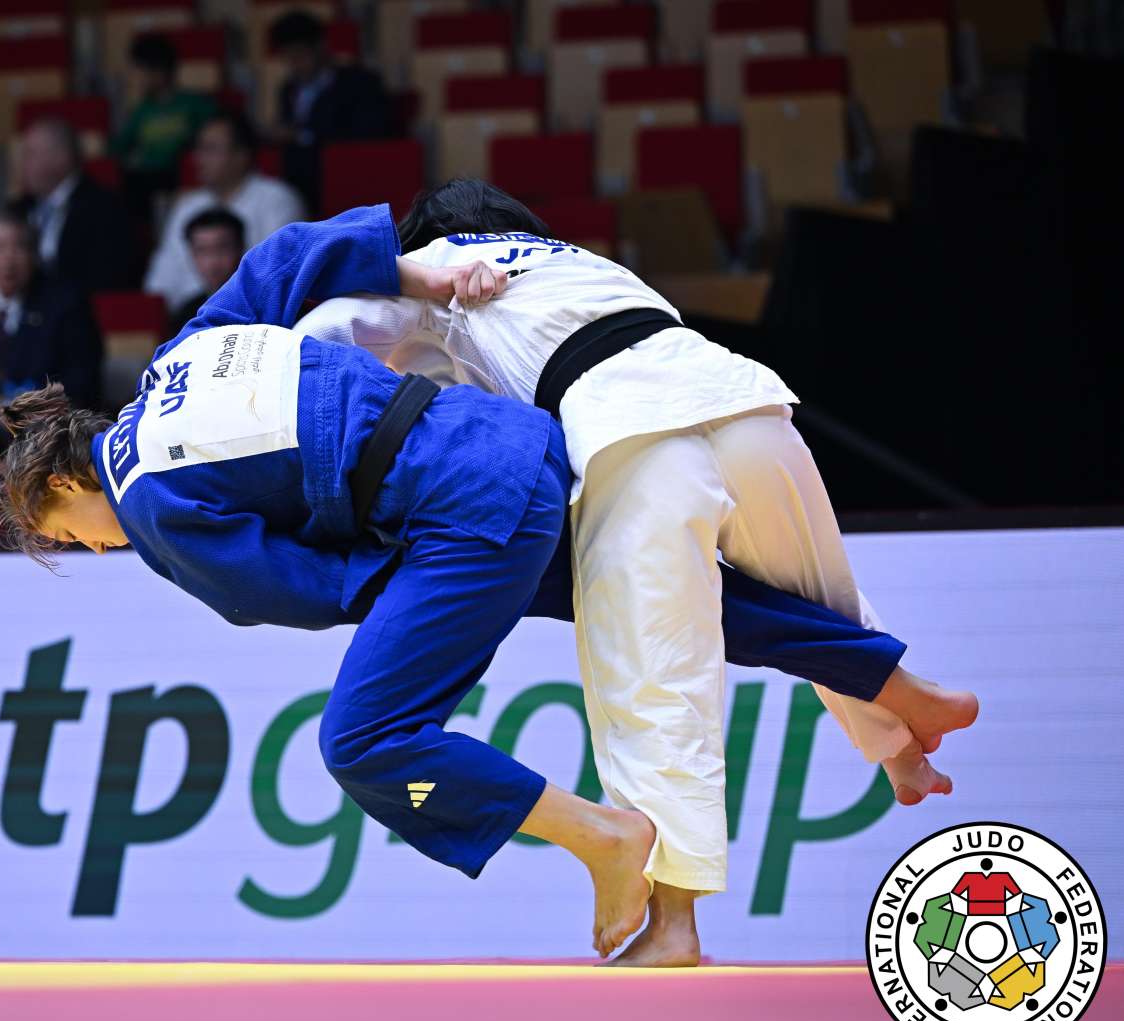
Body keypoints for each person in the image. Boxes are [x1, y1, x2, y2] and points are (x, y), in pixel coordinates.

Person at [0, 206, 926, 962]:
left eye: (69, 534)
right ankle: (886, 677)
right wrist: (420, 276)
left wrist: (397, 579)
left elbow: (272, 591)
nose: (97, 549)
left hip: (454, 517)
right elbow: (286, 255)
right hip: (513, 448)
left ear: (68, 484)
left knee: (363, 739)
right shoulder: (179, 357)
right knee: (662, 594)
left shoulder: (147, 502)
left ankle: (603, 837)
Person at [292, 180, 979, 965]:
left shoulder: (435, 270)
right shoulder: (580, 261)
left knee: (652, 676)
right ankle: (903, 727)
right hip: (745, 398)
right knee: (814, 590)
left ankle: (675, 926)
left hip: (631, 436)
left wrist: (273, 363)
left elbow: (332, 334)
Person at [0, 211, 103, 430]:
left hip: (45, 436)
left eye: (19, 247)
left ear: (33, 255)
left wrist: (11, 411)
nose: (8, 259)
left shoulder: (66, 303)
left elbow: (81, 383)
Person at [143, 112, 304, 311]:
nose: (198, 158)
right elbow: (161, 280)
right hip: (188, 316)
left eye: (210, 149)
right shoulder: (187, 206)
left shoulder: (278, 199)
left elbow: (276, 276)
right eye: (199, 149)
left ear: (241, 155)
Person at [267, 10, 389, 210]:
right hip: (299, 182)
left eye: (299, 55)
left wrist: (302, 136)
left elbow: (366, 133)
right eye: (288, 58)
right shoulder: (288, 89)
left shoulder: (359, 83)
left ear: (320, 47)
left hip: (346, 174)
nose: (294, 64)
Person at [7, 116, 137, 294]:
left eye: (30, 154)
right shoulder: (16, 210)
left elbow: (108, 279)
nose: (22, 164)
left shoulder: (105, 209)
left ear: (62, 157)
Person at [110, 32, 217, 221]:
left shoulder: (194, 104)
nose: (137, 79)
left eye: (141, 72)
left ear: (159, 72)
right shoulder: (142, 111)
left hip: (179, 177)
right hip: (145, 182)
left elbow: (216, 134)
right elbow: (119, 147)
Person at [167, 206, 245, 335]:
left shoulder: (266, 304)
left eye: (222, 248)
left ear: (241, 248)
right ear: (192, 255)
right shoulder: (186, 314)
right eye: (202, 250)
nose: (213, 262)